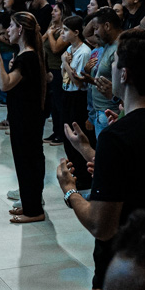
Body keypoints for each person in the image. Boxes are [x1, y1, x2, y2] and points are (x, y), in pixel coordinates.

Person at [58, 27, 145, 290]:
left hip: (124, 272)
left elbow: (101, 226)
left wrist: (70, 191)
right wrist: (87, 149)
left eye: (113, 63)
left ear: (124, 74)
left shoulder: (116, 137)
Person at [0, 11, 47, 224]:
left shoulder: (27, 57)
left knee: (27, 162)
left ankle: (34, 211)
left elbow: (5, 84)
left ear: (20, 29)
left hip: (26, 119)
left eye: (11, 26)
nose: (8, 30)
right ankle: (30, 203)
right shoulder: (27, 55)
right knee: (28, 161)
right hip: (27, 117)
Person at [59, 16, 93, 191]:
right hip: (66, 93)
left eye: (66, 30)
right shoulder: (69, 49)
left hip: (77, 97)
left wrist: (65, 63)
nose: (62, 33)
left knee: (76, 134)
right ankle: (75, 172)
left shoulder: (84, 52)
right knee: (67, 136)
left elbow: (79, 82)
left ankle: (83, 176)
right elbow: (64, 74)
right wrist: (65, 65)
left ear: (77, 32)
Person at [84, 7, 121, 136]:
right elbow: (86, 34)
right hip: (100, 111)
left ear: (107, 26)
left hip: (110, 113)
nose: (94, 33)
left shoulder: (119, 48)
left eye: (96, 28)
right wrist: (93, 81)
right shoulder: (107, 43)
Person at [43, 2, 72, 146]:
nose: (52, 13)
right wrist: (48, 32)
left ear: (62, 13)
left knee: (59, 103)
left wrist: (49, 34)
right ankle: (56, 131)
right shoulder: (52, 27)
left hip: (58, 69)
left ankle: (62, 134)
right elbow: (40, 42)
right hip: (48, 69)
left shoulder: (64, 31)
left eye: (55, 11)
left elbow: (55, 48)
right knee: (53, 104)